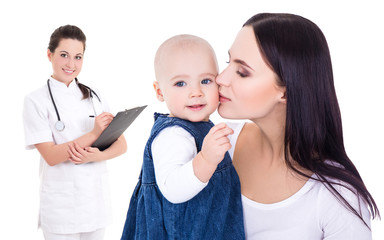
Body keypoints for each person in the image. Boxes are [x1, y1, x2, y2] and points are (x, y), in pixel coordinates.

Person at [216, 13, 380, 239]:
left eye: (242, 72)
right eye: (228, 62)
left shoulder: (336, 194)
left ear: (285, 91)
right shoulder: (217, 144)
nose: (221, 79)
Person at [121, 34, 245, 239]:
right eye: (180, 83)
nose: (195, 92)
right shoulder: (172, 135)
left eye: (205, 81)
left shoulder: (202, 127)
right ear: (160, 91)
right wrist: (206, 159)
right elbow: (174, 189)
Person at [23, 25, 127, 240]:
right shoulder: (35, 100)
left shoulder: (95, 95)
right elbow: (51, 156)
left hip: (95, 202)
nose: (71, 64)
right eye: (64, 55)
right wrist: (93, 133)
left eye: (78, 57)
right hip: (61, 208)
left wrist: (99, 155)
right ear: (49, 55)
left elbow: (122, 144)